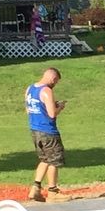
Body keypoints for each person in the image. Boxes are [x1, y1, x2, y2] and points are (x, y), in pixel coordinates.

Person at [25, 67, 66, 201]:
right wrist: (59, 107)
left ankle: (35, 188)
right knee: (54, 160)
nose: (55, 85)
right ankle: (53, 191)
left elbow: (29, 110)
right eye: (56, 82)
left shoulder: (30, 89)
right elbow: (52, 114)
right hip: (48, 131)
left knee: (44, 159)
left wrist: (50, 105)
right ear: (53, 78)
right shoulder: (46, 91)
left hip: (35, 130)